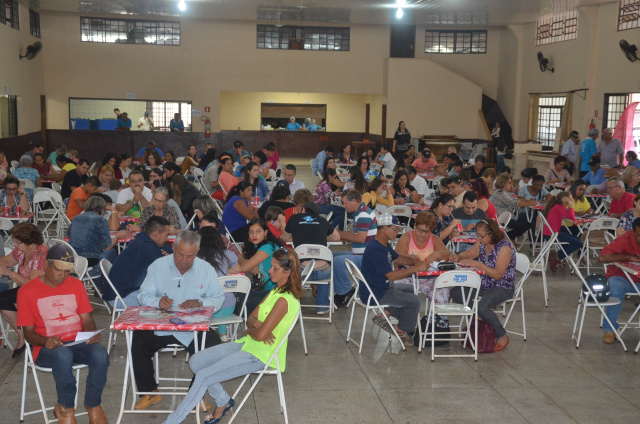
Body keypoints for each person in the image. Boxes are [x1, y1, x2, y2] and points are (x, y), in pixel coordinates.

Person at [162, 248, 301, 424]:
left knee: (204, 376)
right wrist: (256, 328)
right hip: (248, 344)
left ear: (287, 272)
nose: (270, 271)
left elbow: (257, 334)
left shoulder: (285, 300)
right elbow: (250, 320)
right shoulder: (274, 292)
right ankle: (223, 400)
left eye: (274, 268)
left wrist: (254, 330)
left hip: (262, 355)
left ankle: (171, 421)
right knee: (196, 361)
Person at [17, 243, 110, 424]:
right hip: (46, 348)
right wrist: (45, 340)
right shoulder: (26, 292)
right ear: (46, 265)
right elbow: (28, 333)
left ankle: (93, 405)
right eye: (58, 270)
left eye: (68, 272)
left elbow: (87, 319)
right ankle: (65, 408)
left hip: (76, 342)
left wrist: (90, 332)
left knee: (100, 354)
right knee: (63, 354)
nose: (63, 276)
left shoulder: (75, 285)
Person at [132, 230, 225, 410]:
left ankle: (194, 395)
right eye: (180, 254)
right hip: (162, 324)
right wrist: (157, 301)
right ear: (173, 248)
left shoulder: (206, 269)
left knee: (213, 346)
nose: (183, 260)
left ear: (196, 253)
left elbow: (218, 299)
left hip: (192, 328)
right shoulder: (158, 266)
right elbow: (143, 296)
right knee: (138, 340)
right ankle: (149, 393)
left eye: (189, 257)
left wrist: (200, 302)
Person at [362, 213, 427, 347]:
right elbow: (391, 276)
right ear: (385, 228)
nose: (397, 233)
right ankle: (403, 331)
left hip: (379, 287)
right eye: (395, 229)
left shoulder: (382, 244)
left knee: (410, 289)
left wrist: (413, 261)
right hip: (376, 293)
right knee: (414, 301)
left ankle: (384, 315)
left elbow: (397, 258)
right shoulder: (376, 250)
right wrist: (415, 269)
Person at [451, 219, 515, 351]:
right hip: (484, 284)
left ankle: (502, 335)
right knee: (456, 292)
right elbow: (469, 253)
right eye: (478, 235)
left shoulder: (504, 248)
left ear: (491, 233)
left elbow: (498, 275)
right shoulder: (482, 243)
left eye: (481, 236)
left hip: (502, 286)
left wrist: (478, 264)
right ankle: (479, 314)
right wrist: (459, 256)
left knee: (482, 306)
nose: (479, 238)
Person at [0, 223, 48, 358]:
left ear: (31, 243)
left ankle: (29, 334)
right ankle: (23, 336)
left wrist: (9, 274)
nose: (14, 245)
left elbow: (33, 286)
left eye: (18, 242)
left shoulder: (41, 254)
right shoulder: (22, 249)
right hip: (25, 290)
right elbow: (6, 261)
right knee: (3, 300)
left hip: (42, 293)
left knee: (6, 299)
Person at [283, 201, 339, 313]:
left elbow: (285, 238)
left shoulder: (294, 218)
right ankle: (322, 307)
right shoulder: (323, 221)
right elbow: (337, 238)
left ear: (303, 209)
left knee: (290, 266)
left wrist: (299, 237)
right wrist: (321, 237)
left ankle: (293, 306)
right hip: (323, 271)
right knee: (327, 265)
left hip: (301, 272)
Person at [104, 216, 171, 307]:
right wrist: (169, 257)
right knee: (165, 304)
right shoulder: (146, 246)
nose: (168, 239)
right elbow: (171, 266)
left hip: (126, 291)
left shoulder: (144, 238)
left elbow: (169, 252)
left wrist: (170, 255)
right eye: (166, 235)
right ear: (156, 234)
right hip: (121, 297)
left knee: (163, 297)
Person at [331, 189, 377, 307]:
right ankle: (340, 289)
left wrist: (338, 234)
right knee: (331, 256)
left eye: (345, 203)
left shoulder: (363, 214)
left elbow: (360, 238)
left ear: (354, 201)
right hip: (360, 255)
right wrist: (337, 234)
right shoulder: (359, 212)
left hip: (366, 258)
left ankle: (345, 291)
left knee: (337, 261)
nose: (344, 206)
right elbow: (354, 233)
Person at [597, 218, 640, 344]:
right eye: (639, 235)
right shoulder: (625, 239)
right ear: (633, 232)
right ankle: (610, 329)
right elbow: (602, 257)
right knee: (615, 288)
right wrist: (629, 256)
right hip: (622, 277)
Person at [395, 211, 453, 303]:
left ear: (431, 230)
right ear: (415, 226)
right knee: (394, 289)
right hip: (408, 276)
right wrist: (409, 259)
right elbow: (397, 258)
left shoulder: (434, 239)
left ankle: (438, 317)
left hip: (429, 279)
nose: (423, 234)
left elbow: (449, 255)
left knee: (443, 294)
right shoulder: (407, 237)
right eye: (420, 230)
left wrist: (437, 254)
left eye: (427, 231)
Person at [228, 218, 282, 314]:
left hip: (274, 293)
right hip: (264, 289)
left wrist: (222, 270)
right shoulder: (257, 245)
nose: (254, 235)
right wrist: (250, 264)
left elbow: (242, 268)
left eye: (258, 232)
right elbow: (240, 257)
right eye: (251, 232)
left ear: (265, 232)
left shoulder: (267, 247)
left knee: (232, 303)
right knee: (233, 297)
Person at [196, 226, 238, 342]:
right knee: (223, 294)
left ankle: (208, 333)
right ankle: (223, 332)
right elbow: (238, 268)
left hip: (205, 309)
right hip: (228, 308)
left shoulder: (196, 258)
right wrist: (223, 271)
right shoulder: (228, 254)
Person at [68, 195, 126, 271]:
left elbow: (69, 234)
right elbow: (107, 247)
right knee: (112, 251)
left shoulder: (76, 218)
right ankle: (101, 277)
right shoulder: (100, 220)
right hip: (89, 259)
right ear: (102, 209)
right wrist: (117, 236)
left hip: (73, 257)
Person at [544, 192, 583, 272]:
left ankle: (556, 255)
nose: (572, 200)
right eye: (570, 199)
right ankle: (557, 256)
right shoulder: (559, 207)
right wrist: (570, 206)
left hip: (552, 233)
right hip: (553, 235)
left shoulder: (557, 206)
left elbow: (569, 216)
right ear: (564, 199)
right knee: (579, 242)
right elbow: (572, 217)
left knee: (578, 240)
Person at [490, 175, 535, 241]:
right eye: (509, 183)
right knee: (526, 226)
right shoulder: (500, 193)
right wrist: (529, 203)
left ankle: (508, 238)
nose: (511, 185)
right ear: (503, 183)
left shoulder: (503, 192)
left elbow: (514, 200)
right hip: (501, 219)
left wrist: (527, 200)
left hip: (505, 218)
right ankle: (504, 238)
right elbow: (514, 204)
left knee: (526, 224)